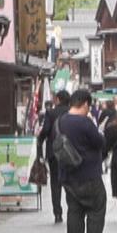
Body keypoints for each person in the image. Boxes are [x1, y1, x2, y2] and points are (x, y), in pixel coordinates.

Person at [56, 89, 113, 233]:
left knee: (74, 211)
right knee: (97, 208)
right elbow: (100, 142)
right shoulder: (85, 122)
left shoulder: (59, 122)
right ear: (86, 104)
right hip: (88, 174)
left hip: (68, 175)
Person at [35, 91, 71, 223]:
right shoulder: (72, 112)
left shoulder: (51, 113)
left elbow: (45, 131)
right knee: (69, 181)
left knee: (55, 182)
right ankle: (72, 209)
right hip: (70, 152)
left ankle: (57, 213)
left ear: (58, 99)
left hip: (54, 151)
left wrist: (40, 141)